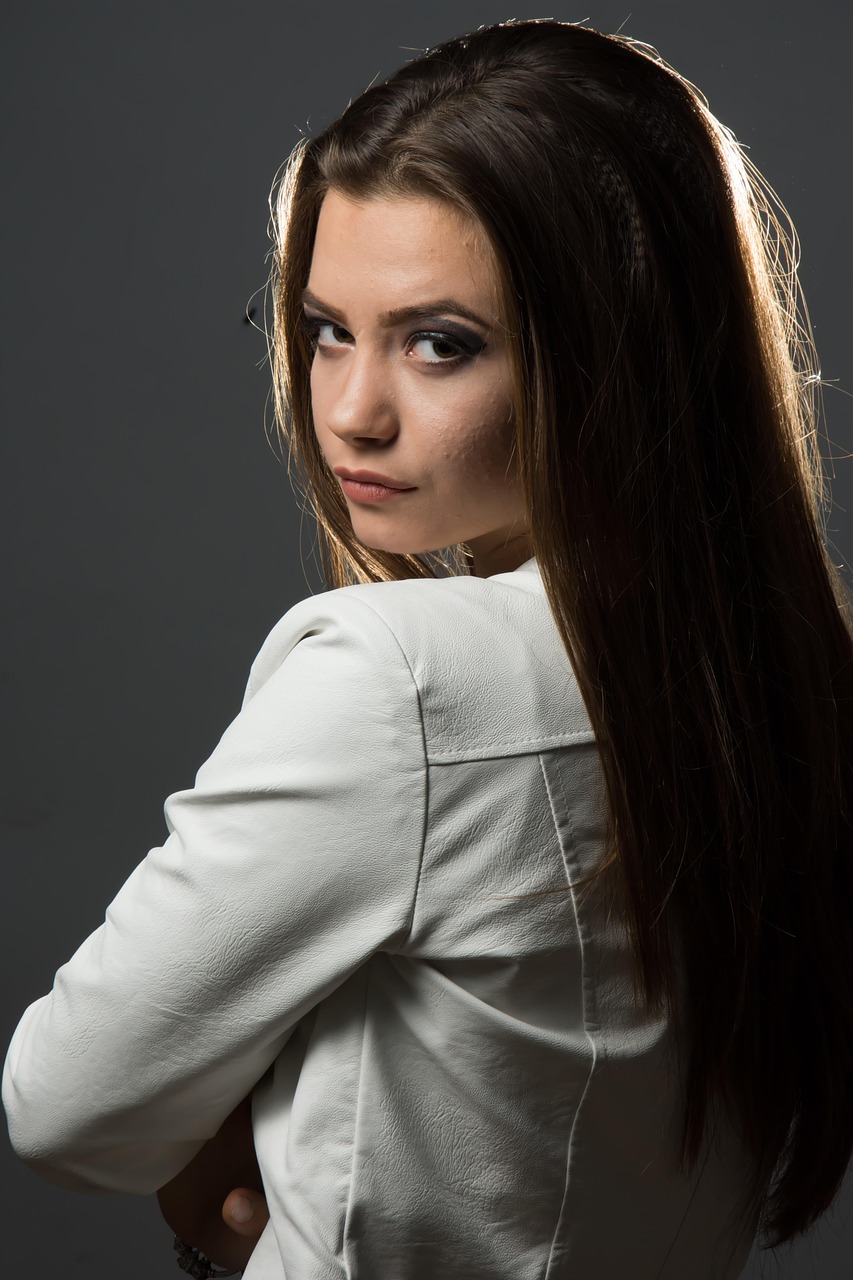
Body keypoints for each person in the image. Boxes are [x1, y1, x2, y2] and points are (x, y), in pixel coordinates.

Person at [4, 16, 853, 1280]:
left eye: (440, 341)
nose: (350, 409)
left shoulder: (399, 678)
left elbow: (62, 1103)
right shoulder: (795, 678)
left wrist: (236, 1151)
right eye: (324, 328)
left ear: (617, 351)